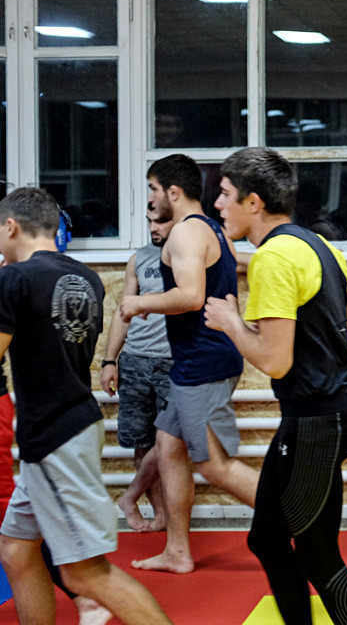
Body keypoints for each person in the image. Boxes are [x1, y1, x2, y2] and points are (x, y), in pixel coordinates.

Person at [203, 146, 347, 625]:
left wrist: (232, 323)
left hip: (316, 420)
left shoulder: (274, 258)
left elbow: (275, 362)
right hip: (320, 415)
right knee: (267, 538)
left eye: (224, 194)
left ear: (253, 202)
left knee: (319, 557)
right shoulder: (314, 244)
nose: (218, 204)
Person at [0, 187, 175, 625]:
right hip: (68, 426)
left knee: (86, 574)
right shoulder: (88, 278)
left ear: (11, 227)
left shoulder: (14, 279)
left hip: (54, 433)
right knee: (17, 550)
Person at [118, 154, 258, 575]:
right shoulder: (210, 228)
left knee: (214, 464)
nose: (150, 199)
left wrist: (138, 302)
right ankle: (178, 551)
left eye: (152, 190)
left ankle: (302, 524)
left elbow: (191, 296)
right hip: (195, 361)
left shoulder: (185, 234)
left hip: (205, 363)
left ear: (172, 192)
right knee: (167, 446)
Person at [102, 205, 175, 534]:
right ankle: (158, 515)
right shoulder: (139, 259)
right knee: (142, 441)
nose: (153, 228)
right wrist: (109, 360)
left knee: (171, 439)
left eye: (161, 221)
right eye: (150, 222)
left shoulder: (192, 257)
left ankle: (130, 496)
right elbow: (122, 313)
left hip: (175, 361)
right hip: (136, 360)